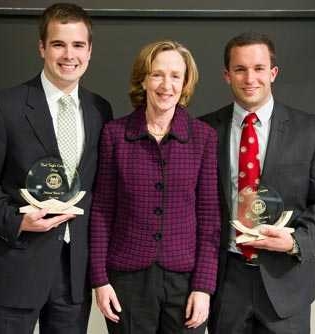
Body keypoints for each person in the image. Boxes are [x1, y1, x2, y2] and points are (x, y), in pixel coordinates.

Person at [0, 3, 113, 334]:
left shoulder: (100, 110)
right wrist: (17, 219)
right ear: (42, 47)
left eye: (78, 45)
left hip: (73, 276)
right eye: (58, 44)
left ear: (90, 51)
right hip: (14, 266)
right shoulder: (4, 107)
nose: (69, 55)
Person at [200, 32, 315, 334]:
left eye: (259, 68)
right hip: (226, 283)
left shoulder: (310, 130)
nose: (250, 78)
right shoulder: (204, 131)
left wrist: (297, 242)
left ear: (273, 73)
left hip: (286, 282)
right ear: (227, 75)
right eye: (240, 69)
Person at [89, 40, 221, 333]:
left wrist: (203, 286)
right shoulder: (115, 135)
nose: (166, 84)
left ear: (186, 83)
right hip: (127, 279)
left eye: (176, 76)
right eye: (157, 74)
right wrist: (99, 279)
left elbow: (210, 218)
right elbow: (101, 211)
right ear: (144, 79)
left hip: (184, 281)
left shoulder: (203, 138)